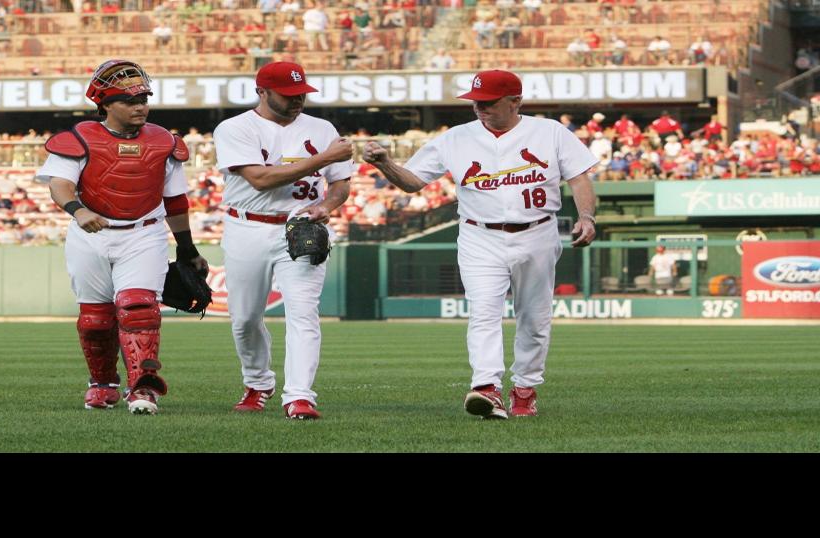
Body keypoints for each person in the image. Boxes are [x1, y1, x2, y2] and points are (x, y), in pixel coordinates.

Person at [362, 69, 598, 419]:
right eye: (475, 101)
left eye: (488, 102)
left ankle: (525, 388)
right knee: (484, 312)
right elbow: (412, 182)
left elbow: (579, 178)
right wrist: (385, 165)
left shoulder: (549, 132)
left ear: (515, 101)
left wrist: (586, 216)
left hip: (537, 232)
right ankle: (487, 387)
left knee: (534, 318)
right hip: (479, 234)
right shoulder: (456, 137)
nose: (479, 108)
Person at [37, 59, 208, 415]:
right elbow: (60, 185)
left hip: (143, 233)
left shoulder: (164, 142)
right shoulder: (80, 138)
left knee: (139, 308)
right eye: (129, 100)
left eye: (144, 98)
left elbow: (175, 201)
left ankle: (142, 388)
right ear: (105, 104)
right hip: (90, 234)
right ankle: (102, 383)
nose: (140, 106)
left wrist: (188, 249)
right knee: (96, 319)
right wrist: (78, 210)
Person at [213, 61, 353, 420]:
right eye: (288, 94)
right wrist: (323, 158)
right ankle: (258, 382)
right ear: (262, 92)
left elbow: (340, 183)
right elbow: (259, 179)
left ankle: (300, 396)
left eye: (302, 93)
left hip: (300, 226)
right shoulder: (235, 128)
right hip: (247, 227)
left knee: (304, 313)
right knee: (244, 318)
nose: (298, 100)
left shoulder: (321, 128)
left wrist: (327, 205)